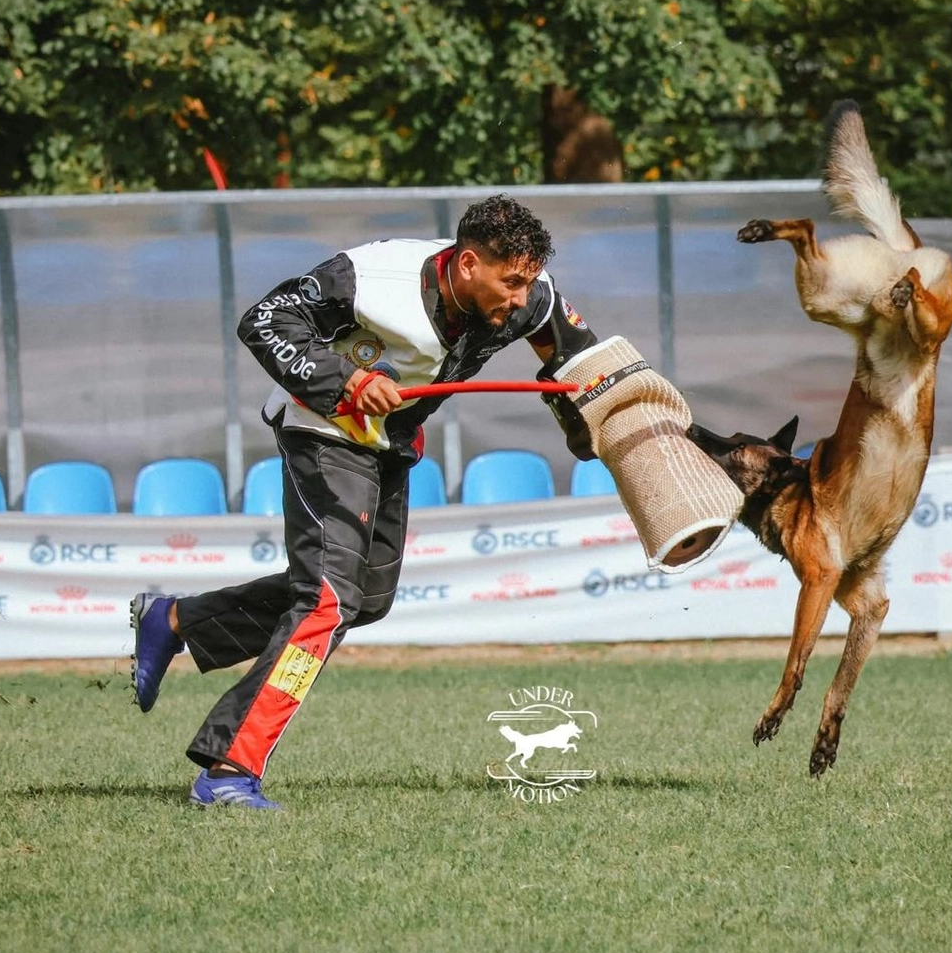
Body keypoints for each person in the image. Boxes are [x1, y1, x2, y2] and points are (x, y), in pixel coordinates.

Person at [129, 194, 599, 809]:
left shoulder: (529, 296)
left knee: (365, 601)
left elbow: (575, 357)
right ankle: (228, 768)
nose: (519, 298)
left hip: (391, 444)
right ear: (465, 265)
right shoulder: (370, 278)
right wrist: (346, 379)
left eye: (528, 282)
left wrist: (599, 418)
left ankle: (173, 621)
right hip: (322, 432)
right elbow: (265, 320)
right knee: (327, 603)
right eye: (508, 282)